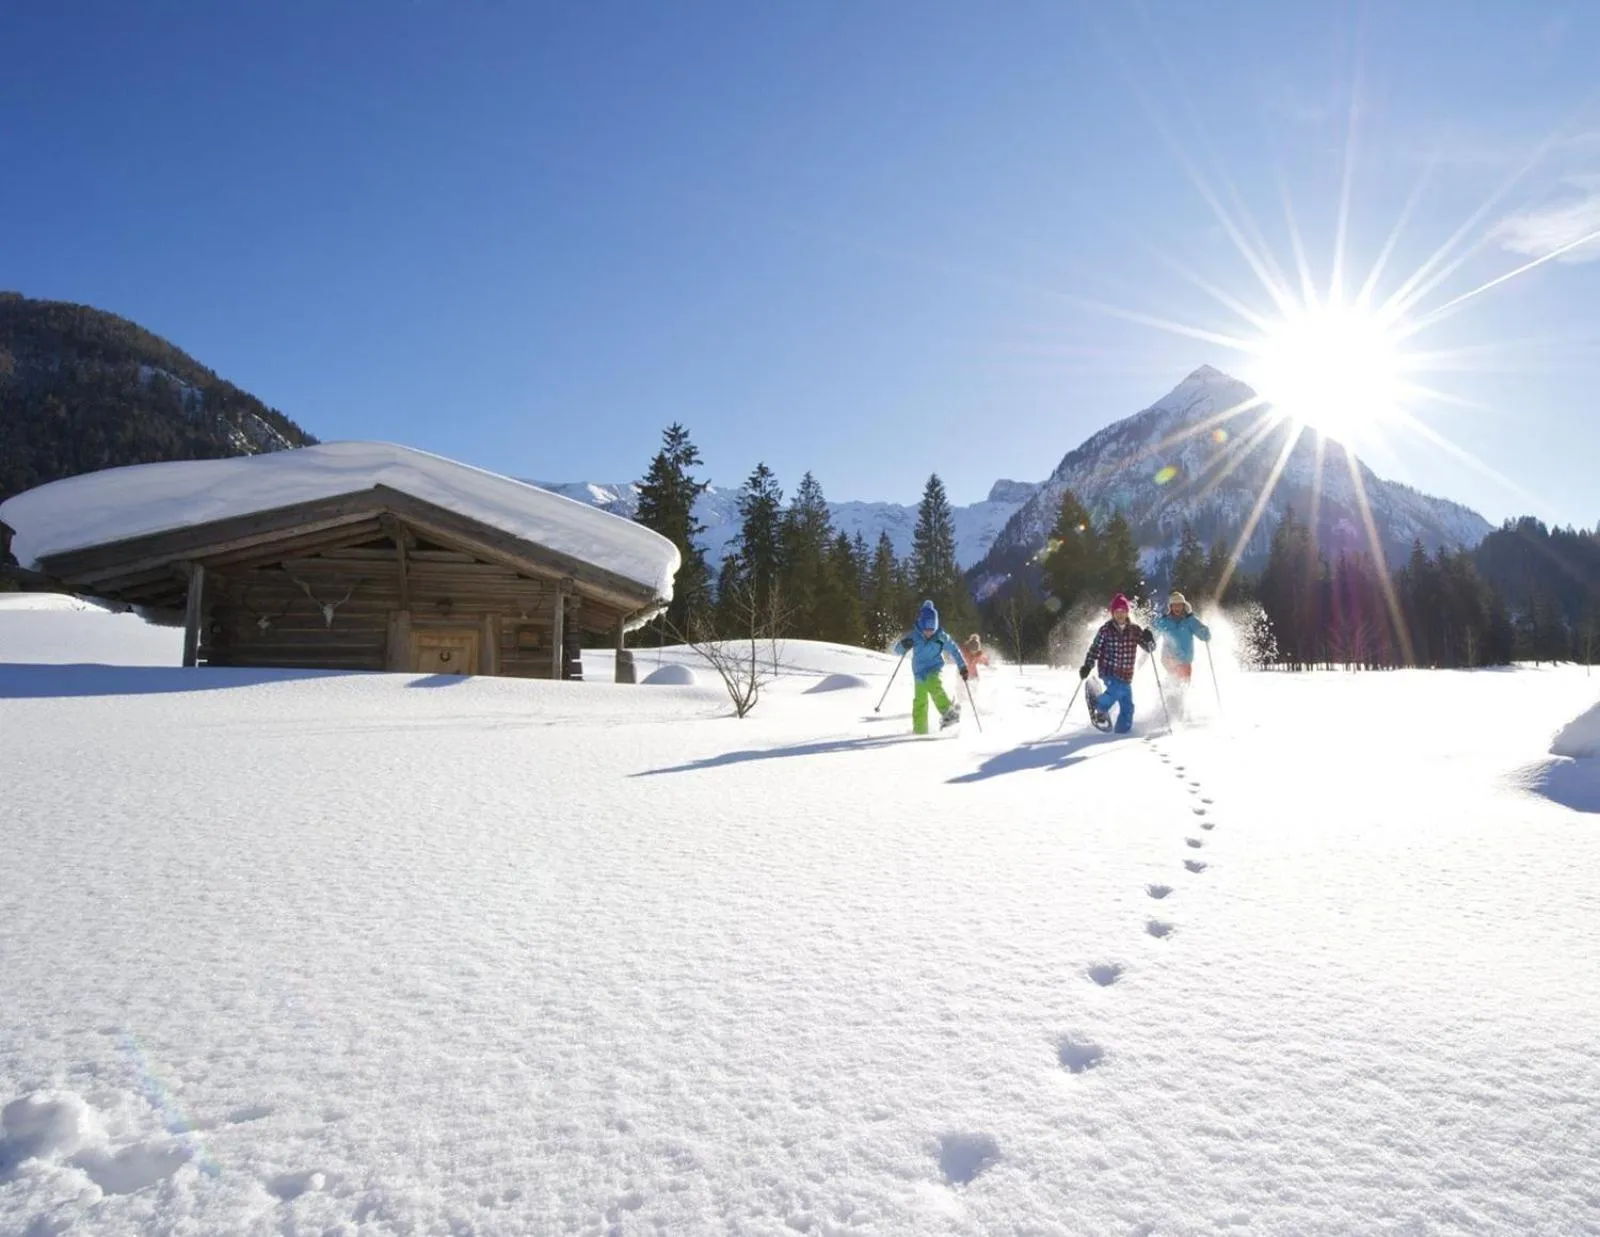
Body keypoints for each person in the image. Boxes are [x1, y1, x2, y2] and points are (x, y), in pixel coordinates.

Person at [1079, 593, 1154, 734]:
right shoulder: (1105, 630)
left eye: (1123, 611)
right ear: (1112, 613)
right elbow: (1095, 648)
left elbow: (1149, 648)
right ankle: (1099, 706)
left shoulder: (1135, 630)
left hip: (1126, 675)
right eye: (1117, 612)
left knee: (1128, 707)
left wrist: (1149, 639)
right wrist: (1088, 665)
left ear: (1127, 612)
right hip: (1109, 671)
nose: (1120, 614)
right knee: (1117, 690)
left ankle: (1121, 732)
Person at [896, 600, 969, 735]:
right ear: (921, 624)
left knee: (933, 683)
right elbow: (898, 650)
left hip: (934, 668)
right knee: (920, 702)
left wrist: (962, 666)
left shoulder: (940, 636)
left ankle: (949, 712)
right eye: (926, 629)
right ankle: (920, 731)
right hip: (918, 673)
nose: (929, 633)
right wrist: (904, 645)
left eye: (932, 629)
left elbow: (954, 650)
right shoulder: (914, 635)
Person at [1152, 590, 1211, 716]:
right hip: (1169, 657)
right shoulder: (1164, 621)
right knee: (1175, 682)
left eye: (1180, 605)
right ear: (1170, 607)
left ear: (1184, 606)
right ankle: (1169, 704)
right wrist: (1148, 637)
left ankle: (1178, 711)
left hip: (1185, 659)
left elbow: (1201, 632)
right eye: (1174, 605)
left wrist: (1205, 633)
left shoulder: (1190, 620)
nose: (1177, 607)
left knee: (1183, 686)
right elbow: (1153, 631)